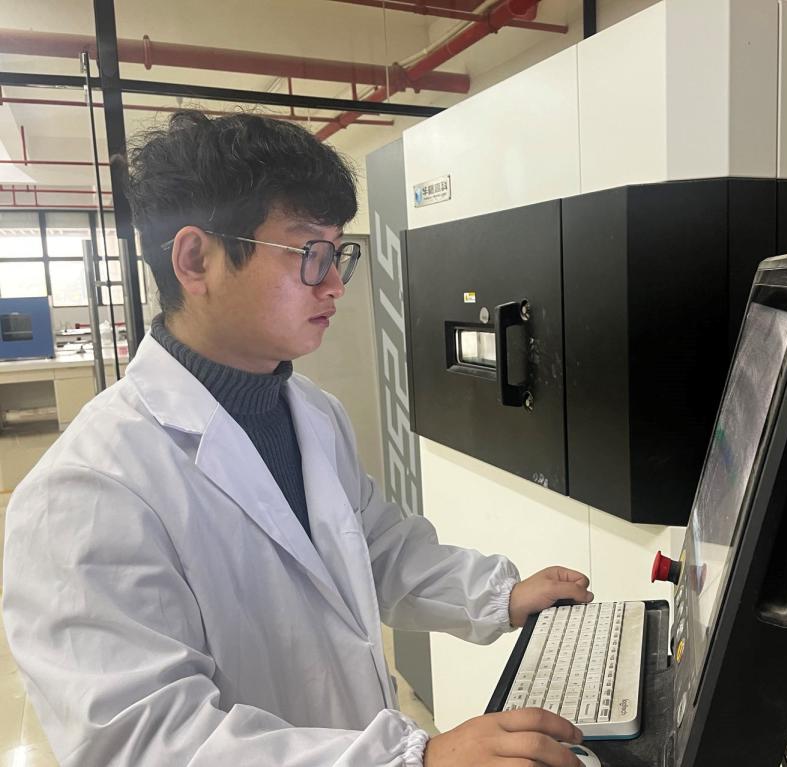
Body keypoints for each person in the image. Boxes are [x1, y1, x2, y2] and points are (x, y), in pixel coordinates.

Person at [1, 111, 593, 767]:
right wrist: (412, 760)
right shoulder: (85, 492)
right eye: (310, 253)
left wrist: (497, 596)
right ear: (196, 259)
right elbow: (148, 744)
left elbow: (374, 549)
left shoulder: (312, 412)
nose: (335, 284)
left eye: (337, 253)